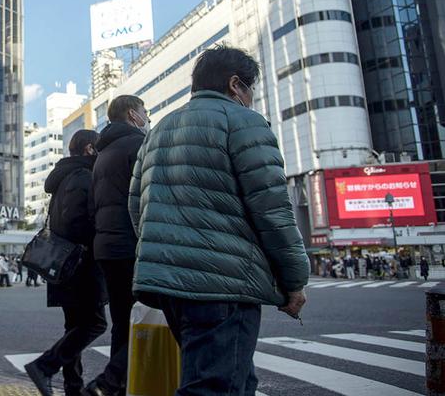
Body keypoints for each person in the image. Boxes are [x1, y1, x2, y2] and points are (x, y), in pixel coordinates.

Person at [129, 46, 309, 395]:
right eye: (250, 89)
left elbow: (137, 207)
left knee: (235, 380)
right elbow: (272, 211)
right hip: (222, 283)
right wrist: (295, 280)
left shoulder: (159, 130)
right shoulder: (243, 122)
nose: (250, 98)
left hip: (169, 284)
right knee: (215, 386)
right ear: (235, 84)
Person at [26, 130, 108, 396]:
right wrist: (97, 233)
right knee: (95, 324)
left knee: (74, 326)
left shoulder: (64, 177)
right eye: (99, 147)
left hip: (64, 263)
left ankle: (73, 386)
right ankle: (44, 366)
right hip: (79, 265)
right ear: (88, 149)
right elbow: (75, 221)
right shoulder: (82, 176)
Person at [85, 95, 148, 396]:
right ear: (132, 114)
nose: (147, 116)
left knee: (122, 320)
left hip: (106, 246)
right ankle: (109, 382)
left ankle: (118, 386)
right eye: (144, 110)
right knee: (153, 312)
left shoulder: (102, 155)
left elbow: (93, 205)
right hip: (132, 244)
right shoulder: (138, 144)